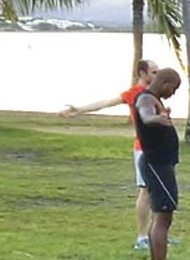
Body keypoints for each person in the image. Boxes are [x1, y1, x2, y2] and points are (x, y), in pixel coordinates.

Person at [61, 59, 161, 249]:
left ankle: (158, 233)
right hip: (143, 149)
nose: (157, 75)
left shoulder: (152, 93)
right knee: (146, 191)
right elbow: (106, 103)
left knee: (157, 191)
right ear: (142, 74)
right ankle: (142, 237)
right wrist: (79, 110)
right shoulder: (133, 93)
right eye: (154, 72)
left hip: (157, 149)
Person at [132, 69, 190, 260]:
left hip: (160, 164)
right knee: (163, 217)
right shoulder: (146, 99)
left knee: (160, 216)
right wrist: (159, 118)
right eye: (173, 89)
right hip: (157, 165)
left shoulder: (152, 98)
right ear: (164, 82)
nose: (173, 93)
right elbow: (146, 116)